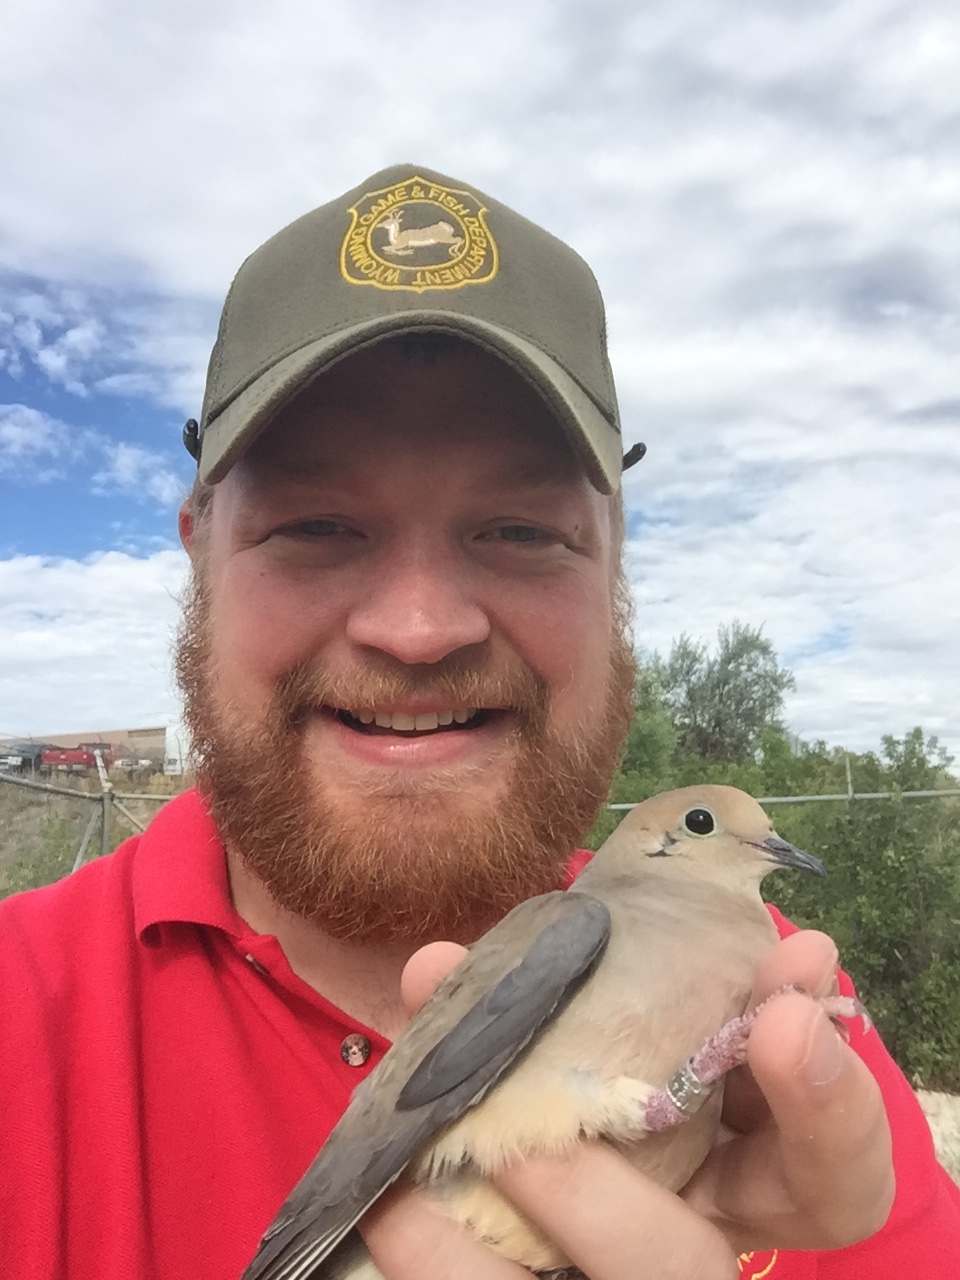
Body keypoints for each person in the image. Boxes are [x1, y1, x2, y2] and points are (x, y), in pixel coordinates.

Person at [1, 164, 957, 1280]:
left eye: (519, 529)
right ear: (197, 555)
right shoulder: (24, 1013)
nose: (417, 627)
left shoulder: (787, 1031)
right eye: (315, 523)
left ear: (615, 580)